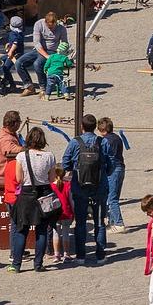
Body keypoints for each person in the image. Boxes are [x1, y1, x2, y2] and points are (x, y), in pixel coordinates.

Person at [61, 112, 109, 264]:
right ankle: (100, 255)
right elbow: (110, 163)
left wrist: (74, 171)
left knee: (80, 223)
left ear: (82, 127)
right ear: (95, 127)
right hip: (99, 188)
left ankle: (81, 256)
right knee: (100, 222)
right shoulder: (102, 142)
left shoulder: (75, 142)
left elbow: (65, 162)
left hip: (79, 188)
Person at [10, 125, 58, 273]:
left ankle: (16, 264)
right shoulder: (49, 156)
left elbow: (18, 178)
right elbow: (51, 178)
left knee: (21, 230)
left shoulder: (21, 156)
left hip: (26, 194)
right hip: (43, 193)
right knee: (42, 230)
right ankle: (38, 264)